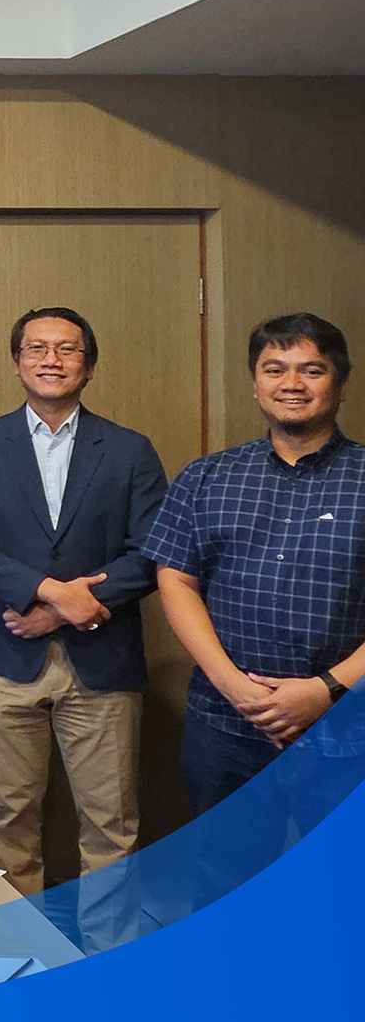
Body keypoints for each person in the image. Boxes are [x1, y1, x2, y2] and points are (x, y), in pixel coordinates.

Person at [0, 308, 167, 896]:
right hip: (6, 656)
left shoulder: (130, 450)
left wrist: (70, 609)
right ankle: (23, 941)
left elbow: (151, 552)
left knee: (111, 822)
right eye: (37, 349)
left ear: (89, 367)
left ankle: (108, 945)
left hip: (104, 660)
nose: (51, 360)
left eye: (67, 349)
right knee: (9, 817)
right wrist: (50, 594)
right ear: (17, 363)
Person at [145, 313, 365, 815]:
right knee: (229, 862)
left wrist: (326, 690)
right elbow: (176, 579)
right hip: (225, 725)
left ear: (341, 383)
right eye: (274, 369)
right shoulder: (206, 477)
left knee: (340, 866)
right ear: (255, 383)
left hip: (348, 730)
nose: (291, 384)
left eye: (312, 370)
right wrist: (234, 686)